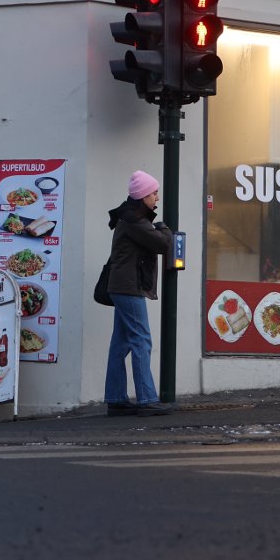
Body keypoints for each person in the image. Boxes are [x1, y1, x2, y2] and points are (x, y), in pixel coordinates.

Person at [103, 170, 175, 417]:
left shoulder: (130, 217)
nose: (157, 198)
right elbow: (164, 243)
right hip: (129, 287)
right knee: (141, 341)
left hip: (122, 286)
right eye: (154, 193)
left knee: (121, 343)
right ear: (143, 196)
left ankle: (116, 399)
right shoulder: (134, 220)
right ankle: (147, 399)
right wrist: (164, 227)